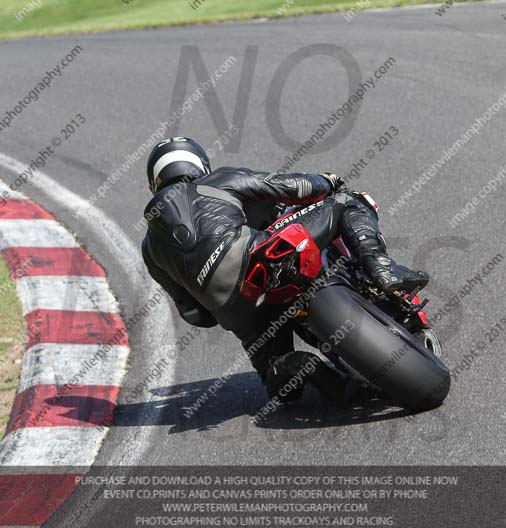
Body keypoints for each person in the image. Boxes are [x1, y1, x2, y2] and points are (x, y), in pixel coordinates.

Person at [141, 137, 429, 407]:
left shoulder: (150, 250)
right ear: (199, 165)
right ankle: (382, 268)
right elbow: (291, 186)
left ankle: (294, 367)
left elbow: (196, 316)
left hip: (238, 312)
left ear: (156, 181)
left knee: (279, 389)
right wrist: (326, 182)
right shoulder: (216, 181)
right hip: (260, 260)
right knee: (347, 202)